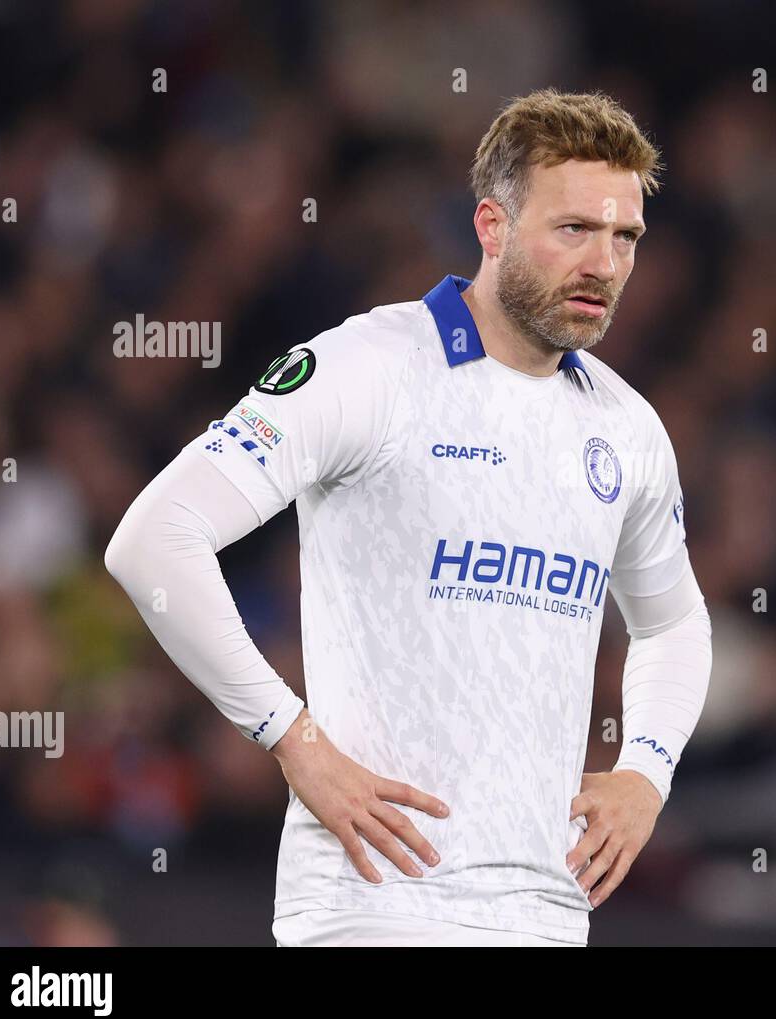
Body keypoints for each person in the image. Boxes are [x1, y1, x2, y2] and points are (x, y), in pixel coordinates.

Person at [105, 88, 712, 947]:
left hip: (546, 913)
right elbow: (154, 542)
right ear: (492, 227)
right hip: (375, 907)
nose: (605, 264)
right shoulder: (366, 368)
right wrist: (293, 740)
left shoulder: (626, 426)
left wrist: (645, 773)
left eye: (625, 238)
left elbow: (675, 621)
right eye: (575, 229)